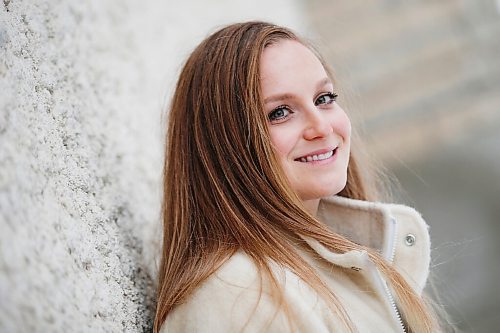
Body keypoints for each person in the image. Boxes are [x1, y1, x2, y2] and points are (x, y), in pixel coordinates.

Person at [154, 21, 441, 333]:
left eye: (324, 98)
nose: (321, 127)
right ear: (224, 146)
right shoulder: (235, 297)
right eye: (280, 112)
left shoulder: (346, 254)